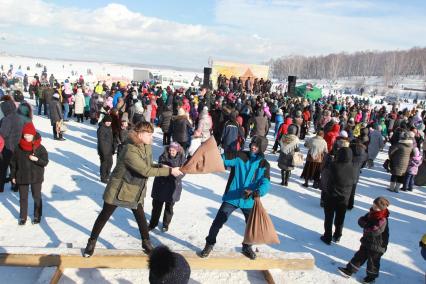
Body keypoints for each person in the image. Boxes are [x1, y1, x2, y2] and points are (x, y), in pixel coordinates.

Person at [83, 122, 183, 257]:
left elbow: (147, 165)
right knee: (104, 216)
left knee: (140, 216)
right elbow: (145, 170)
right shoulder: (130, 149)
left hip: (133, 188)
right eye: (149, 134)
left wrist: (161, 166)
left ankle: (146, 243)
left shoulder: (146, 146)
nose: (151, 137)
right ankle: (91, 242)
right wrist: (169, 171)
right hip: (118, 189)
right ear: (140, 135)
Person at [199, 136, 270, 260]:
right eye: (253, 143)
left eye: (257, 145)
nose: (253, 146)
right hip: (232, 197)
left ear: (262, 148)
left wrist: (257, 192)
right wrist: (209, 154)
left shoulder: (264, 164)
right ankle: (209, 244)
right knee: (217, 223)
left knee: (251, 227)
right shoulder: (240, 156)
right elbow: (222, 159)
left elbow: (265, 182)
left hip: (249, 200)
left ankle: (247, 246)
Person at [338, 197, 390, 283]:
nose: (374, 207)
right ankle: (349, 270)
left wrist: (366, 225)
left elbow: (375, 230)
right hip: (367, 241)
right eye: (373, 205)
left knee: (373, 262)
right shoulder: (371, 213)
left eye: (376, 207)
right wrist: (365, 223)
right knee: (359, 256)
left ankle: (371, 277)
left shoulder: (382, 219)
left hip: (378, 246)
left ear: (381, 208)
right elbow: (361, 220)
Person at [10, 122, 49, 225]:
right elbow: (13, 163)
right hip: (22, 176)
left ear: (33, 134)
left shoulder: (40, 147)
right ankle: (23, 217)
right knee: (23, 197)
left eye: (29, 135)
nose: (27, 137)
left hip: (36, 176)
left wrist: (37, 159)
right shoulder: (18, 147)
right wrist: (13, 175)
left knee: (36, 196)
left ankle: (37, 215)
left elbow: (45, 162)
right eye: (25, 135)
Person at [149, 142, 186, 232]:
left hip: (173, 187)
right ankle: (153, 224)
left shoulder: (182, 160)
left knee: (169, 208)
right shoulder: (163, 156)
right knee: (156, 207)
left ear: (177, 150)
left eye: (173, 150)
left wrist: (173, 173)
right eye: (170, 150)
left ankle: (166, 224)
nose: (171, 152)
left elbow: (182, 173)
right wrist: (172, 171)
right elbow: (160, 170)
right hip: (160, 185)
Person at [321, 146, 354, 244]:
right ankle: (338, 235)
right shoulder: (352, 167)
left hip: (331, 195)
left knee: (329, 217)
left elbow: (325, 174)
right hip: (345, 197)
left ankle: (327, 237)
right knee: (340, 218)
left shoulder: (334, 165)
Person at [0, 99, 24, 192]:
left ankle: (0, 187)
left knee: (3, 167)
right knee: (15, 167)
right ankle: (15, 185)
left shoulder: (7, 119)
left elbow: (3, 133)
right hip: (18, 146)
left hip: (7, 146)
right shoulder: (20, 116)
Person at [97, 115, 114, 183]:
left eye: (110, 122)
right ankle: (103, 177)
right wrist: (103, 152)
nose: (108, 123)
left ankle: (107, 175)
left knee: (110, 163)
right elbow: (101, 141)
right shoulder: (101, 129)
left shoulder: (109, 127)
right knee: (104, 164)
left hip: (109, 149)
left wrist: (113, 147)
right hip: (103, 150)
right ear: (104, 121)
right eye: (107, 121)